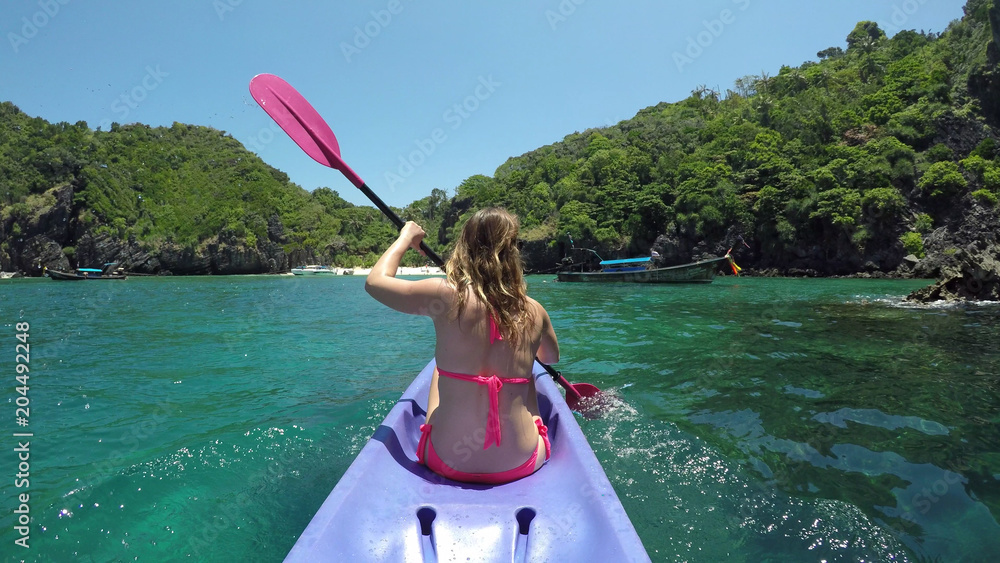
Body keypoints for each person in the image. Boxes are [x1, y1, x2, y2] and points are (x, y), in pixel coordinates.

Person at [365, 208, 560, 484]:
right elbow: (551, 358)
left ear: (464, 248)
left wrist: (406, 236)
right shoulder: (535, 310)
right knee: (526, 378)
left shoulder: (445, 295)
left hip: (446, 461)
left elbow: (375, 283)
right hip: (522, 462)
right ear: (513, 252)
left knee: (437, 368)